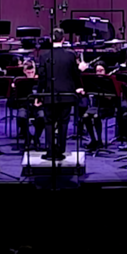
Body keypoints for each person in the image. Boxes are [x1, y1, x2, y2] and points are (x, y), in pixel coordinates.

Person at [34, 28, 89, 160]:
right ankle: (61, 150)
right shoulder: (70, 55)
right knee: (64, 122)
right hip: (67, 95)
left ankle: (50, 151)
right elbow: (75, 75)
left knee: (49, 123)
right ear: (63, 39)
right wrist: (80, 85)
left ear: (50, 40)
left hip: (49, 95)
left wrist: (39, 95)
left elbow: (42, 77)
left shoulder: (44, 56)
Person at [13, 61, 45, 149]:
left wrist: (40, 102)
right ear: (24, 71)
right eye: (28, 72)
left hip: (39, 106)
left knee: (42, 117)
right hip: (24, 105)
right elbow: (16, 99)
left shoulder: (41, 81)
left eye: (32, 71)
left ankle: (36, 138)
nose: (30, 74)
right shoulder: (20, 81)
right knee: (21, 117)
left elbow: (44, 94)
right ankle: (27, 137)